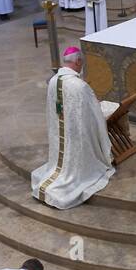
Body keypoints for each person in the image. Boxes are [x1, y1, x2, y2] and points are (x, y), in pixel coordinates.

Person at [30, 46, 115, 210]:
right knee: (77, 159)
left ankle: (56, 174)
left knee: (61, 158)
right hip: (75, 134)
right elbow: (94, 115)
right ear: (77, 61)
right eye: (81, 62)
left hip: (60, 130)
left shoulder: (53, 81)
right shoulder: (79, 86)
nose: (81, 66)